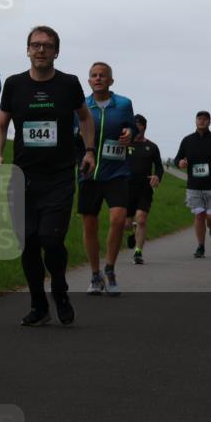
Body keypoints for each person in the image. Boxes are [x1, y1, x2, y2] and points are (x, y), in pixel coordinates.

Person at [0, 26, 95, 326]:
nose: (41, 50)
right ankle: (38, 304)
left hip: (59, 176)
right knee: (28, 242)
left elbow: (85, 117)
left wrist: (89, 151)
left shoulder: (69, 83)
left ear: (56, 52)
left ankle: (59, 290)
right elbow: (1, 124)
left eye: (47, 46)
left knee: (50, 239)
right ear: (27, 50)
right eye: (35, 45)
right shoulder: (14, 84)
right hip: (23, 177)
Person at [77, 62, 136, 296]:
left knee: (118, 219)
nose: (98, 78)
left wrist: (130, 133)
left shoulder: (123, 104)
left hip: (117, 172)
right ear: (89, 81)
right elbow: (72, 133)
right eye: (94, 75)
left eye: (103, 75)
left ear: (111, 81)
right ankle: (95, 274)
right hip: (89, 173)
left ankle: (110, 269)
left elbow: (132, 128)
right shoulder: (81, 106)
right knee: (89, 224)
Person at [174, 111, 211, 258]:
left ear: (209, 122)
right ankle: (200, 246)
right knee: (200, 214)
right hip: (194, 185)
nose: (202, 121)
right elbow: (177, 159)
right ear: (195, 121)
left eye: (205, 119)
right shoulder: (187, 140)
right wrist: (180, 163)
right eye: (199, 119)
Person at [124, 114, 163, 265]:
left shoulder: (152, 147)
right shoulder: (124, 144)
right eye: (133, 125)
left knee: (141, 219)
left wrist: (157, 176)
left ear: (144, 127)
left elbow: (159, 167)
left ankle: (138, 252)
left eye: (139, 125)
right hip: (126, 188)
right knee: (126, 224)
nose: (136, 128)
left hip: (144, 189)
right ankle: (133, 231)